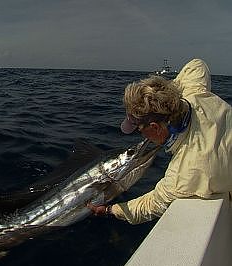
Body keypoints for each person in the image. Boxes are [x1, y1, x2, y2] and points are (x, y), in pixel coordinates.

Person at [88, 58, 232, 224]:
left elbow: (153, 204)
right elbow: (197, 65)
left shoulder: (186, 172)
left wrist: (109, 210)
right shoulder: (195, 93)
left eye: (140, 129)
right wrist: (166, 96)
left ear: (155, 127)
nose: (141, 135)